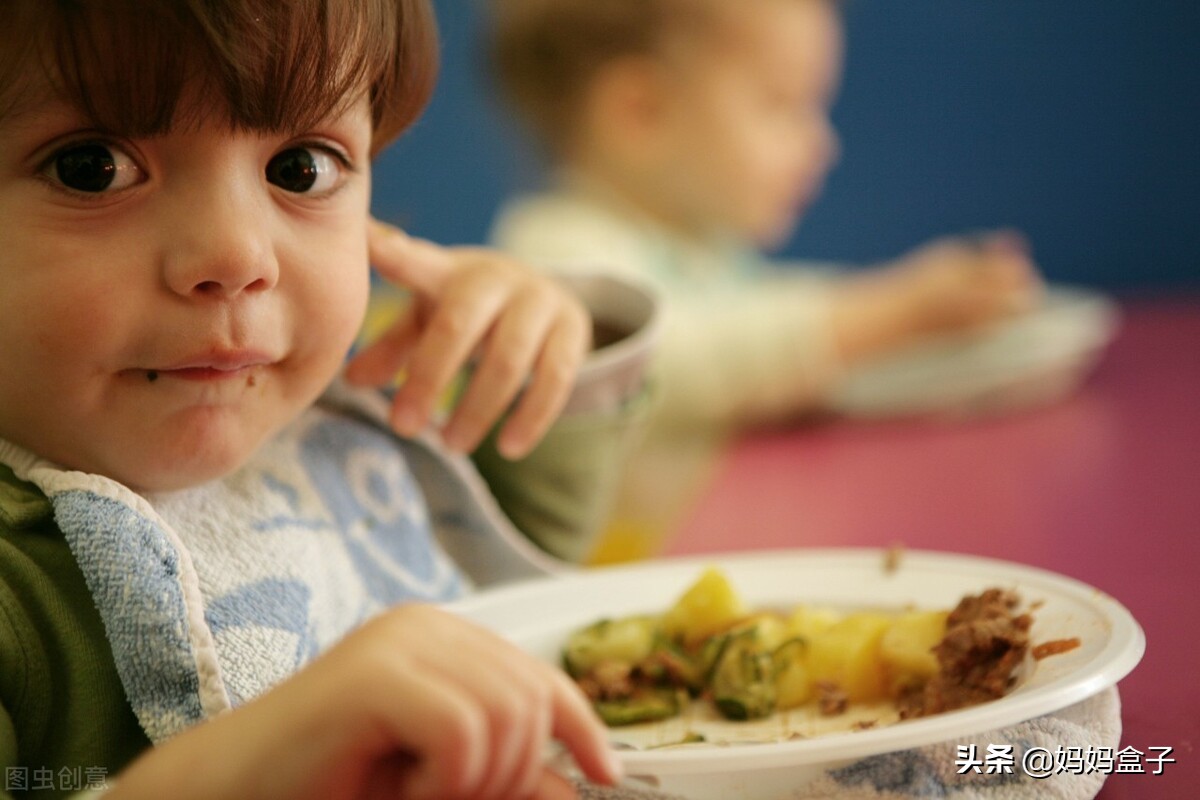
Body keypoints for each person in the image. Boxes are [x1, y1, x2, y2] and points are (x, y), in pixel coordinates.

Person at [0, 1, 630, 798]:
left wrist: (529, 360)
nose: (237, 255)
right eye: (92, 167)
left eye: (300, 167)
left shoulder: (330, 431)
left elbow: (516, 572)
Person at [486, 0, 1043, 559]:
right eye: (782, 106)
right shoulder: (555, 250)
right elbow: (672, 364)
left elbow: (775, 311)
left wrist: (936, 323)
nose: (823, 145)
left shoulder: (704, 248)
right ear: (642, 110)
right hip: (621, 576)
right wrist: (893, 312)